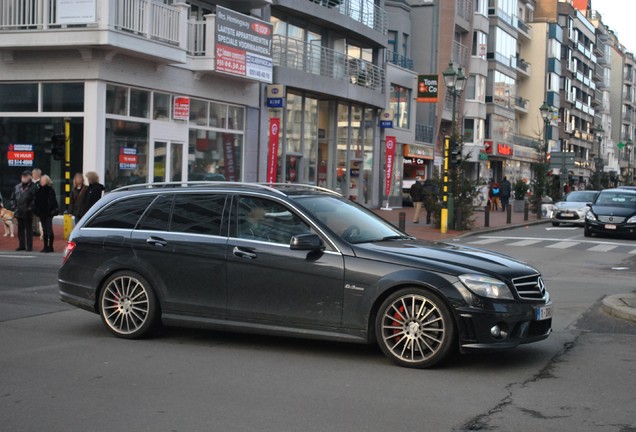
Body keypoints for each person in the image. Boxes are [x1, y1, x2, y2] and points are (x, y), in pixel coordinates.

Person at [9, 170, 37, 251]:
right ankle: (21, 245)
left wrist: (30, 208)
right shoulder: (17, 186)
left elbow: (35, 199)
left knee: (29, 230)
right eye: (23, 176)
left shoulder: (34, 186)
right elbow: (12, 198)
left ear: (29, 177)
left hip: (28, 211)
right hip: (19, 211)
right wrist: (14, 207)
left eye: (26, 176)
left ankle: (29, 246)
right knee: (20, 230)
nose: (24, 177)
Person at [34, 175, 59, 253]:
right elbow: (36, 201)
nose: (42, 182)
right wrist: (37, 210)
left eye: (43, 180)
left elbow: (52, 201)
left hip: (48, 213)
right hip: (41, 213)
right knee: (44, 230)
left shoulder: (50, 190)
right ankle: (45, 246)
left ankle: (50, 246)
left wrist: (49, 210)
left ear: (47, 181)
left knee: (49, 229)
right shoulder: (39, 190)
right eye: (41, 180)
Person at [31, 168, 42, 237]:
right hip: (31, 203)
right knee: (31, 217)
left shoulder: (41, 183)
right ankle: (33, 230)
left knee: (37, 218)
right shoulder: (30, 182)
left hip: (38, 203)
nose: (34, 175)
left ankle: (38, 230)